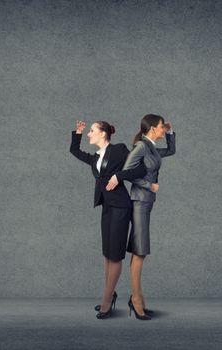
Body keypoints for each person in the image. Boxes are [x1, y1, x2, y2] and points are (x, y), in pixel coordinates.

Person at [69, 120, 146, 319]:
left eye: (92, 131)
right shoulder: (95, 157)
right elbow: (74, 151)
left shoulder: (119, 150)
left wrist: (119, 176)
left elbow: (140, 169)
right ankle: (110, 294)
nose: (89, 134)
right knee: (107, 254)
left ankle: (105, 299)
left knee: (115, 255)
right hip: (107, 208)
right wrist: (77, 132)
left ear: (103, 134)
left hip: (121, 207)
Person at [106, 114, 175, 320]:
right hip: (139, 202)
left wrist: (171, 132)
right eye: (162, 127)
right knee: (139, 251)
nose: (164, 130)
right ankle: (136, 301)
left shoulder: (151, 147)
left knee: (140, 250)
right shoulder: (141, 147)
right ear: (152, 128)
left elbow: (171, 150)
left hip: (146, 202)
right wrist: (149, 185)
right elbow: (127, 172)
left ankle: (138, 299)